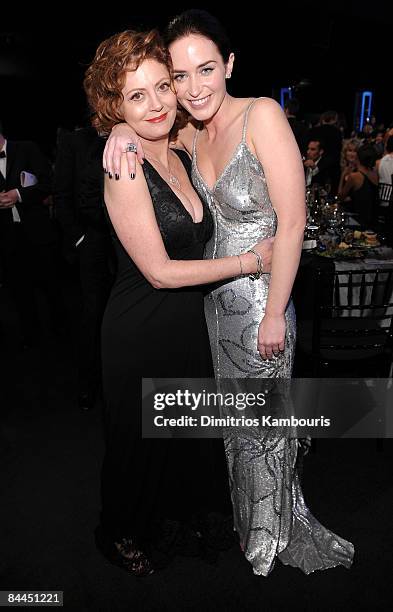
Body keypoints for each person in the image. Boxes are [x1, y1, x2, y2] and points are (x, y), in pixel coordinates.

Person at [105, 10, 355, 577]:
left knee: (265, 427)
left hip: (263, 302)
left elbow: (291, 225)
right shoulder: (188, 130)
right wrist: (118, 128)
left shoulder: (261, 115)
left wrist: (273, 314)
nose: (193, 88)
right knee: (233, 428)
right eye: (180, 75)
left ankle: (273, 532)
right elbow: (138, 127)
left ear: (230, 65)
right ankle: (248, 521)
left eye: (207, 69)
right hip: (210, 308)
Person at [84, 27, 273, 576]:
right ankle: (118, 534)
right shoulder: (124, 166)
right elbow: (162, 273)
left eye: (162, 86)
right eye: (134, 96)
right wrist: (250, 262)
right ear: (113, 105)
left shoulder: (181, 149)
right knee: (137, 446)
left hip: (188, 327)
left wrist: (124, 125)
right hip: (139, 330)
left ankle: (175, 516)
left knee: (183, 438)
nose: (156, 103)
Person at [54, 126, 115, 410]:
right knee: (93, 315)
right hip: (93, 241)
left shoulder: (132, 132)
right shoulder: (75, 140)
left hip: (130, 241)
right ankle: (90, 385)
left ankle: (122, 382)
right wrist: (79, 239)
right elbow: (62, 194)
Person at [0, 120, 64, 347]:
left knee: (52, 286)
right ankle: (32, 340)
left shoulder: (26, 149)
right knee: (19, 292)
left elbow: (49, 183)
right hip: (8, 238)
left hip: (38, 232)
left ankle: (61, 334)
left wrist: (19, 194)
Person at [339, 144, 378, 227]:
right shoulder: (375, 173)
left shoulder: (355, 176)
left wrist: (343, 176)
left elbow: (340, 197)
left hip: (358, 221)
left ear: (358, 158)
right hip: (373, 219)